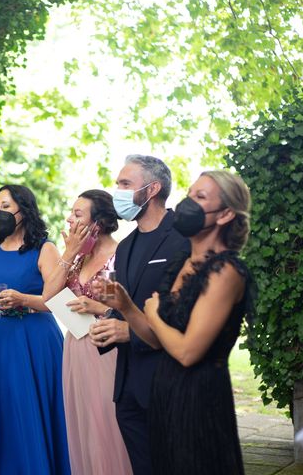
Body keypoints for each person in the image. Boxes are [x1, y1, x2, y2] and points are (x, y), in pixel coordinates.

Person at [101, 170, 254, 474]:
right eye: (190, 193)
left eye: (200, 197)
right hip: (165, 395)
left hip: (198, 400)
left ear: (224, 214)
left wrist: (155, 314)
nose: (188, 203)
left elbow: (186, 352)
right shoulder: (184, 263)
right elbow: (157, 339)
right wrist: (128, 307)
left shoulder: (225, 271)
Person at [0, 185, 71, 475]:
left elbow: (61, 300)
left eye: (5, 206)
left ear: (23, 210)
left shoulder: (45, 249)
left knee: (27, 412)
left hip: (33, 340)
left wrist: (24, 299)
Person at [88, 155, 190, 475]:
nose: (117, 191)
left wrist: (127, 331)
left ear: (152, 189)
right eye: (118, 183)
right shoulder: (126, 244)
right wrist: (107, 321)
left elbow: (184, 318)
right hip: (128, 386)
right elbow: (124, 303)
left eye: (125, 184)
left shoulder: (184, 239)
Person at [42, 189, 133, 475]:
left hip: (105, 347)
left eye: (78, 214)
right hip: (75, 347)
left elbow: (120, 308)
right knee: (82, 428)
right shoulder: (78, 258)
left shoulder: (118, 256)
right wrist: (69, 253)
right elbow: (48, 295)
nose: (69, 219)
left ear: (99, 223)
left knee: (106, 426)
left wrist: (94, 305)